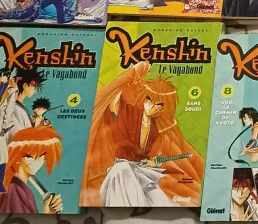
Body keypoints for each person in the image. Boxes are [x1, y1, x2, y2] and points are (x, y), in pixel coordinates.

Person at [82, 61, 203, 207]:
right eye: (150, 101)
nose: (153, 107)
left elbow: (151, 154)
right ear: (144, 99)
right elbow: (113, 96)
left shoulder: (155, 130)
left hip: (141, 171)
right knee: (128, 184)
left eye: (159, 105)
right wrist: (133, 73)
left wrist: (153, 161)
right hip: (121, 170)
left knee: (163, 202)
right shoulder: (128, 113)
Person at [0, 68, 43, 192]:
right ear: (25, 85)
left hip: (15, 162)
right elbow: (17, 137)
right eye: (34, 86)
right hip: (12, 158)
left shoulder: (19, 105)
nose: (34, 90)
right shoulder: (13, 102)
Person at [0, 126, 64, 213]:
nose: (38, 160)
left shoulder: (18, 187)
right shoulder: (15, 189)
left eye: (43, 155)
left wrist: (49, 214)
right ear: (17, 158)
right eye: (29, 156)